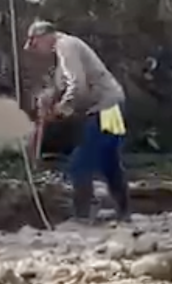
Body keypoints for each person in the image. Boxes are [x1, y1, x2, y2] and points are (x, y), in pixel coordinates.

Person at [24, 21, 129, 220]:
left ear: (45, 36)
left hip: (105, 108)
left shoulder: (65, 46)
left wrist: (62, 109)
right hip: (111, 106)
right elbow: (63, 83)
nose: (36, 49)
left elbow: (77, 85)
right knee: (109, 163)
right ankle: (123, 212)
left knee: (80, 164)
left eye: (35, 43)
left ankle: (82, 216)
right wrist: (49, 96)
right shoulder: (66, 48)